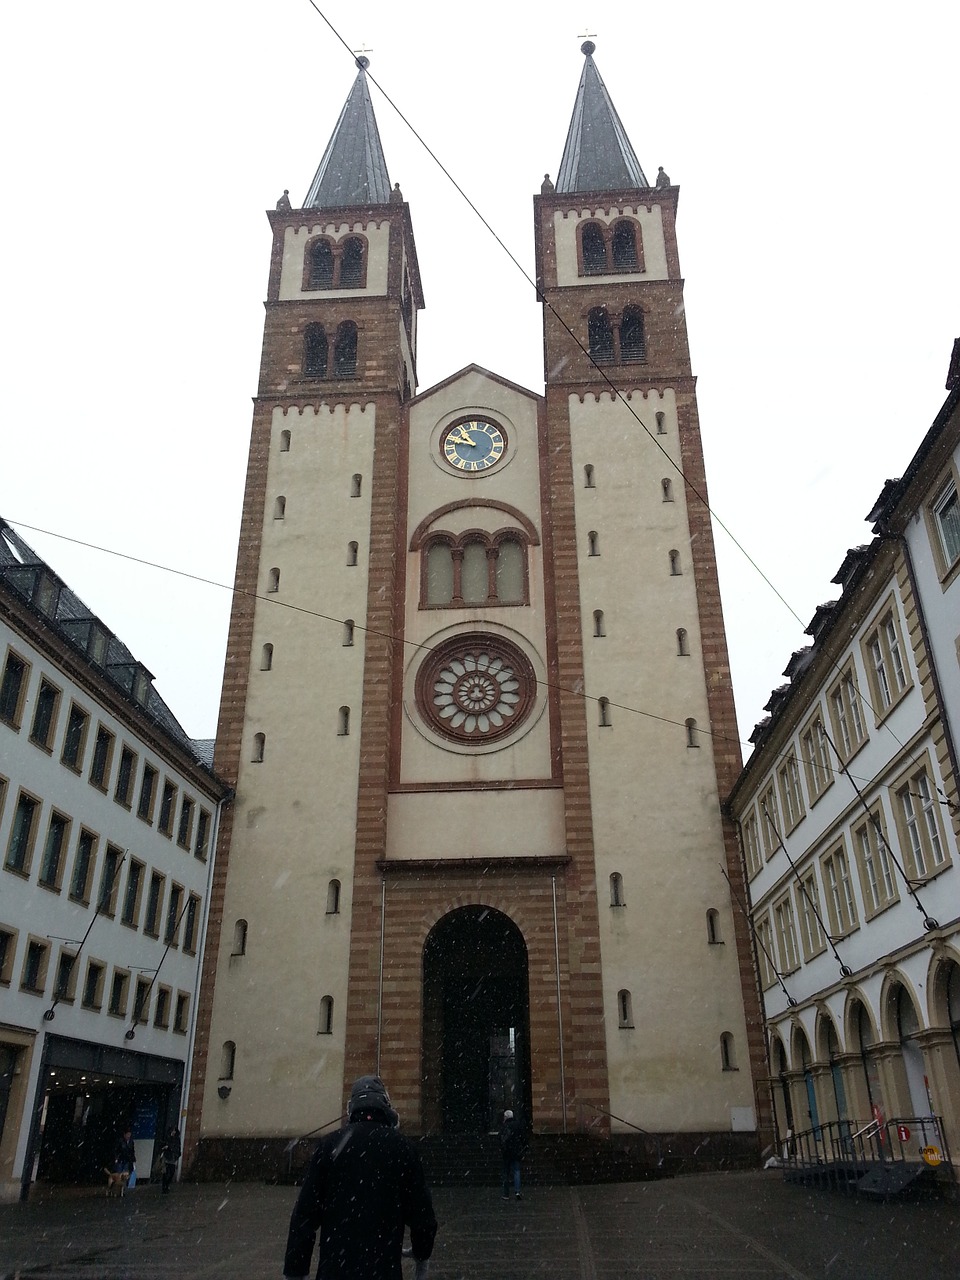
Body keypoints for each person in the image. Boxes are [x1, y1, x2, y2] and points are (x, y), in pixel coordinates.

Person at [283, 1075, 437, 1280]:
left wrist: (296, 1270)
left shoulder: (329, 1145)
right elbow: (422, 1215)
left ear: (352, 1107)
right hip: (384, 1271)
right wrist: (421, 1253)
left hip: (335, 1270)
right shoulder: (402, 1148)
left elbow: (304, 1215)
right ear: (384, 1104)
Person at [499, 1108, 524, 1200]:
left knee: (506, 1173)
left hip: (506, 1153)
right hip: (516, 1152)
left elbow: (500, 1139)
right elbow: (523, 1137)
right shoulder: (518, 1125)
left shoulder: (504, 1126)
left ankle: (506, 1194)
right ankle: (517, 1191)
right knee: (516, 1171)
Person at [159, 1125, 181, 1193]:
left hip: (173, 1158)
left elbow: (177, 1147)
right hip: (167, 1157)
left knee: (171, 1172)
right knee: (166, 1173)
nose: (173, 1132)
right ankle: (164, 1186)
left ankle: (167, 1185)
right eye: (172, 1130)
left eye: (174, 1130)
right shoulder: (167, 1137)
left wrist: (171, 1149)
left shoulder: (177, 1139)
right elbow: (162, 1145)